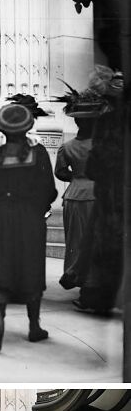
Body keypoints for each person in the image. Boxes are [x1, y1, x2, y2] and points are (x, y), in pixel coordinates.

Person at [0, 95, 57, 353]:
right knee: (30, 266)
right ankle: (33, 325)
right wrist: (36, 208)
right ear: (28, 127)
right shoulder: (37, 153)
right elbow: (49, 190)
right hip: (28, 216)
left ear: (1, 128)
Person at [75, 66, 125, 314]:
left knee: (102, 244)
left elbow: (96, 166)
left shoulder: (107, 123)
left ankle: (98, 296)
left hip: (110, 194)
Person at [54, 86, 102, 293]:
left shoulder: (67, 147)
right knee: (99, 239)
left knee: (75, 241)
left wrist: (77, 176)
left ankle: (79, 279)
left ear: (77, 122)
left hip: (74, 195)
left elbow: (60, 172)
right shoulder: (103, 146)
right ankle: (96, 282)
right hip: (99, 195)